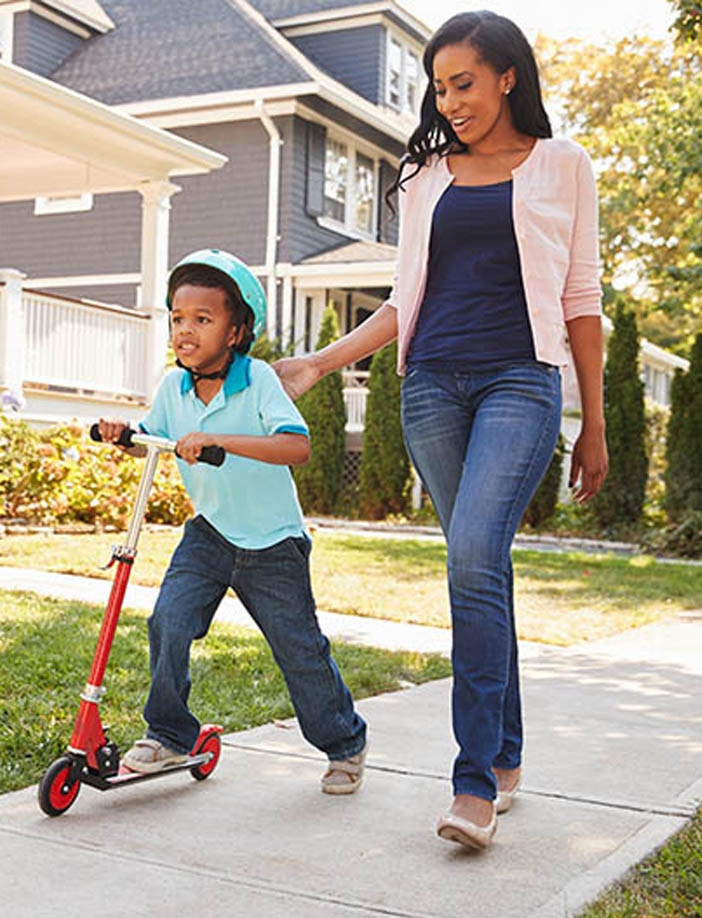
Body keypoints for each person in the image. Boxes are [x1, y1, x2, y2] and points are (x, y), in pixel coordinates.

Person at [274, 11, 608, 847]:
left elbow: (581, 300)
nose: (449, 101)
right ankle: (507, 757)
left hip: (520, 383)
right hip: (429, 387)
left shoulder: (564, 166)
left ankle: (472, 786)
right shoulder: (425, 172)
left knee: (471, 561)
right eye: (438, 88)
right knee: (480, 569)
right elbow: (401, 299)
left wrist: (595, 422)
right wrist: (318, 362)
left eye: (464, 83)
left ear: (507, 76)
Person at [98, 249, 367, 794]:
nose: (185, 330)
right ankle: (170, 732)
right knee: (168, 622)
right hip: (210, 534)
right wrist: (122, 434)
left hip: (274, 544)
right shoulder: (173, 388)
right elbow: (157, 438)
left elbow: (297, 447)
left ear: (237, 329)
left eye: (203, 319)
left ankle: (344, 743)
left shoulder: (259, 379)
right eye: (178, 318)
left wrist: (221, 440)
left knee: (298, 650)